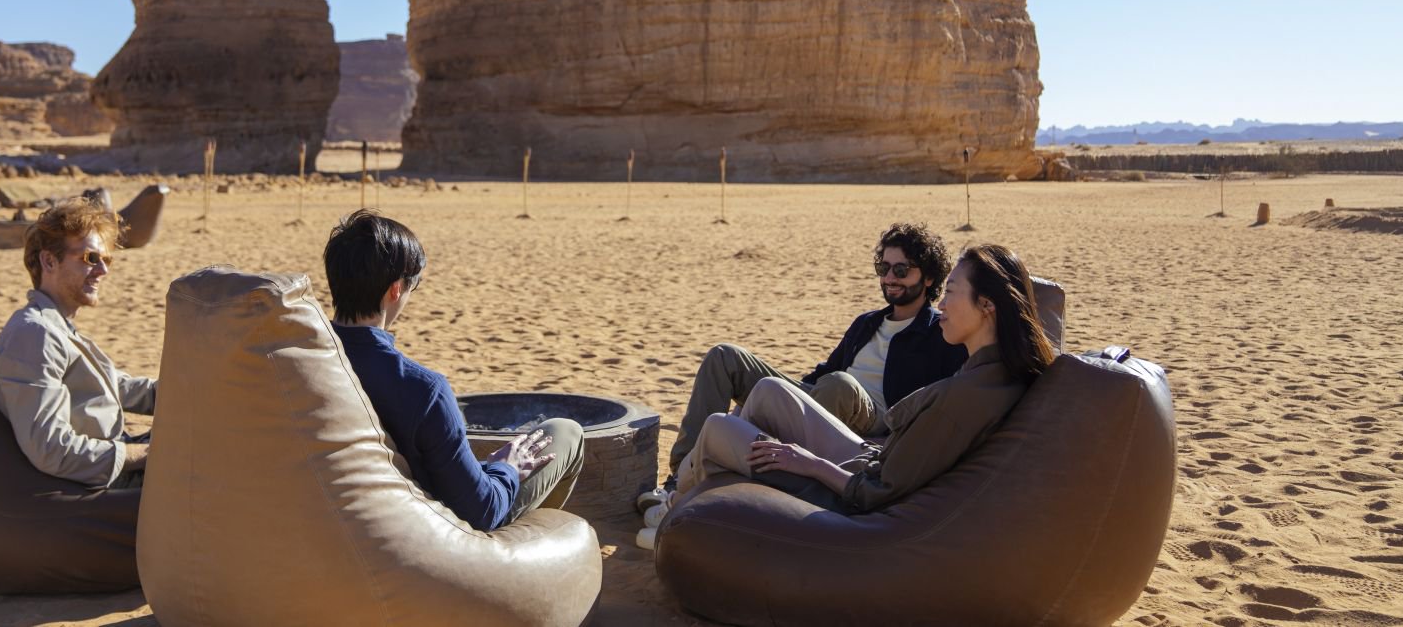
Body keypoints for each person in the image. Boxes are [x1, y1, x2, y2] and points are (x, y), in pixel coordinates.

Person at [668, 243, 1056, 522]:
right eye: (884, 268)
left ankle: (676, 503)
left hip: (852, 489)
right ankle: (694, 483)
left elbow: (876, 493)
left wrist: (809, 463)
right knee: (769, 390)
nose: (942, 305)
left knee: (720, 428)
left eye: (950, 293)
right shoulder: (987, 372)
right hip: (866, 456)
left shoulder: (959, 390)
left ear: (987, 305)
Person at [641, 222, 964, 534]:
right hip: (829, 397)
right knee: (725, 357)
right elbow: (823, 372)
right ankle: (680, 477)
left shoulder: (939, 333)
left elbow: (942, 402)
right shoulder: (867, 323)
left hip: (875, 421)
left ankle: (726, 473)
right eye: (884, 268)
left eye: (902, 270)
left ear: (928, 277)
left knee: (839, 384)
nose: (890, 278)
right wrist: (782, 396)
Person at [324, 209, 585, 531]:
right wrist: (507, 469)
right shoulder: (421, 388)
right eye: (414, 284)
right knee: (565, 432)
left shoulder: (300, 361)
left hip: (333, 521)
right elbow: (482, 511)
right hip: (423, 533)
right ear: (395, 289)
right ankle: (527, 551)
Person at [0, 195, 156, 488]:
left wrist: (185, 394)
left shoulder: (56, 326)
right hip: (99, 484)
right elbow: (51, 450)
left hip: (111, 459)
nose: (103, 271)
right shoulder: (34, 335)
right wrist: (150, 455)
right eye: (90, 259)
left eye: (106, 260)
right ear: (49, 260)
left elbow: (116, 386)